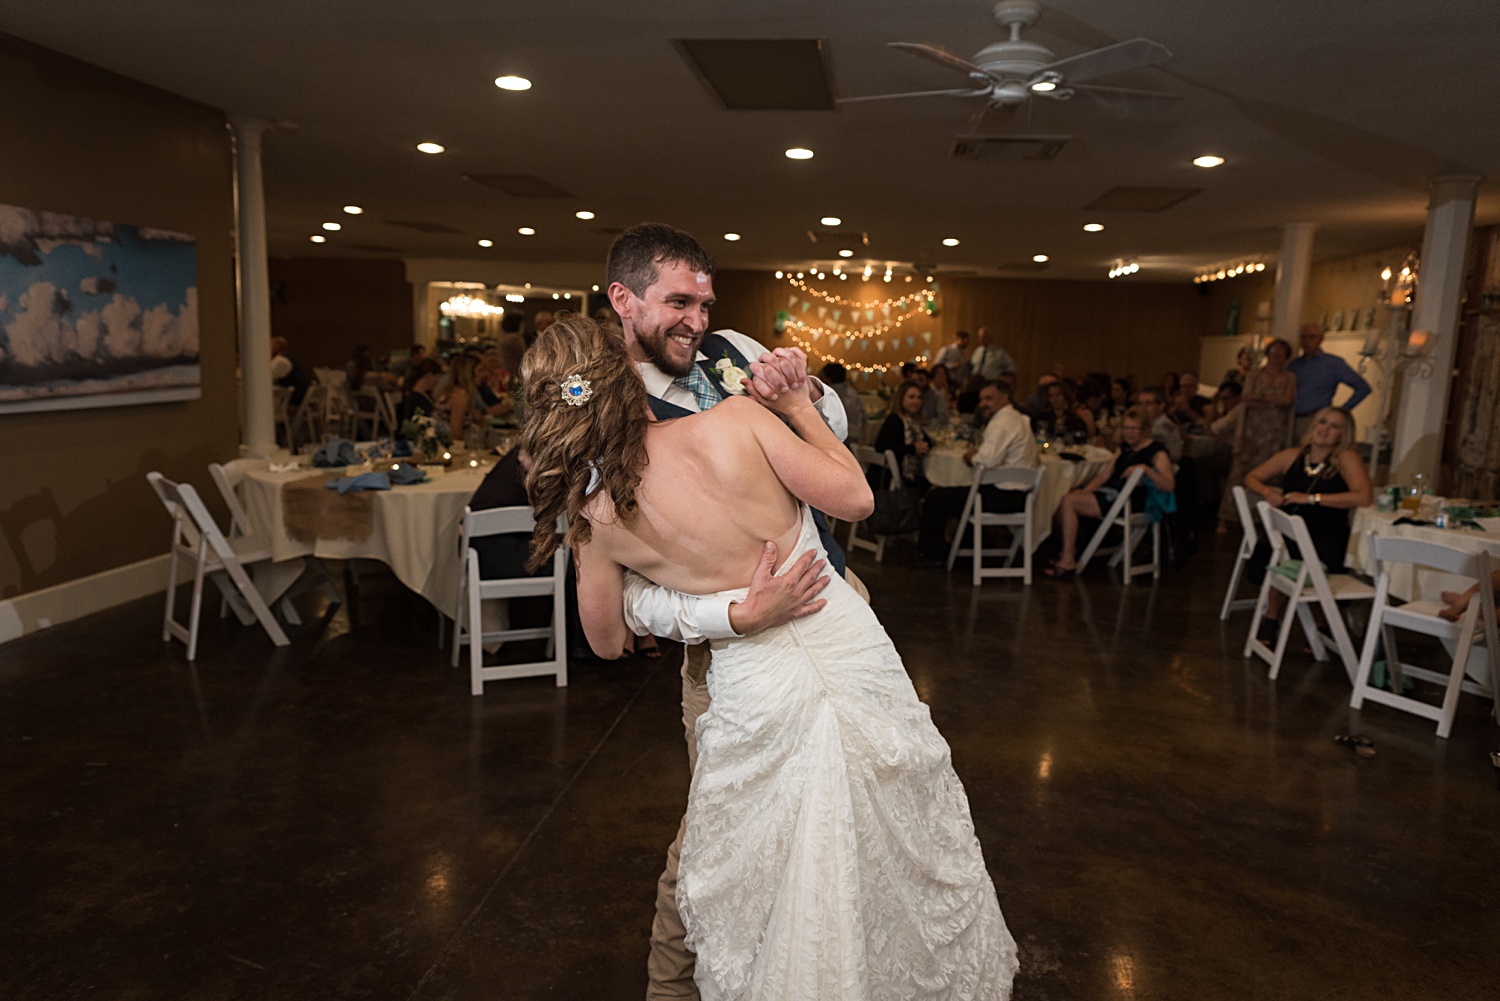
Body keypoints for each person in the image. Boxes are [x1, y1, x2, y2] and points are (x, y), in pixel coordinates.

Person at [521, 316, 1018, 1000]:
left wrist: (702, 606)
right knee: (887, 831)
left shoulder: (595, 515)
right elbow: (857, 497)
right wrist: (793, 409)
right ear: (626, 375)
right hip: (842, 640)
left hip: (753, 678)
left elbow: (605, 640)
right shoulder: (734, 423)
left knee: (784, 855)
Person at [598, 223, 863, 1000]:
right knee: (711, 839)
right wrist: (738, 615)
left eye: (704, 302)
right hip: (729, 664)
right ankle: (673, 988)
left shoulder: (735, 352)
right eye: (677, 301)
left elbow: (834, 439)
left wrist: (804, 392)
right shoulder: (599, 408)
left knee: (835, 817)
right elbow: (627, 598)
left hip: (838, 615)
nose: (696, 320)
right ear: (623, 298)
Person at [1242, 407, 1373, 640]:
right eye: (1322, 422)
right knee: (1287, 552)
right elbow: (1251, 477)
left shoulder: (1345, 458)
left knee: (1293, 558)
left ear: (1343, 434)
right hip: (1290, 533)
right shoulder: (1292, 456)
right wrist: (1267, 493)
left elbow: (1363, 497)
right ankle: (1319, 627)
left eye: (1334, 426)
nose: (1325, 429)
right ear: (1313, 426)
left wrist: (1313, 499)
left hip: (1327, 535)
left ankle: (1275, 620)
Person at [917, 380, 1038, 566]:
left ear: (1005, 398)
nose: (982, 404)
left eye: (989, 399)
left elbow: (987, 460)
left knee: (936, 498)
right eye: (981, 399)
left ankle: (933, 556)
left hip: (1001, 496)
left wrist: (972, 457)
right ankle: (961, 547)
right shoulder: (1018, 419)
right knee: (953, 495)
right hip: (1021, 495)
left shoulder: (1002, 422)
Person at [1043, 407, 1175, 578]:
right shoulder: (1125, 448)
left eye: (1133, 429)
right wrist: (1084, 491)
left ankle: (1068, 560)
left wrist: (1146, 470)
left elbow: (1169, 485)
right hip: (1113, 494)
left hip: (1130, 501)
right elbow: (1104, 475)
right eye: (1126, 428)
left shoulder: (1157, 452)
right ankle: (1070, 548)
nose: (1129, 433)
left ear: (1145, 430)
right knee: (1064, 496)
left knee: (1069, 501)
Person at [1217, 337, 1296, 531]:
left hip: (1276, 432)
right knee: (1241, 471)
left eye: (1281, 352)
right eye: (1273, 351)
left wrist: (1261, 399)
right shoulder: (1254, 374)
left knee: (1271, 473)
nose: (1276, 355)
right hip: (1252, 431)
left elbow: (1287, 400)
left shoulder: (1289, 378)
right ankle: (1227, 517)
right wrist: (1272, 401)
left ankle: (1263, 518)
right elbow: (1247, 398)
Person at [1287, 324, 1372, 440]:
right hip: (1290, 418)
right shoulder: (1294, 365)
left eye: (1311, 337)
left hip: (1314, 418)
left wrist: (1341, 411)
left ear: (1321, 339)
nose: (1307, 341)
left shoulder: (1332, 364)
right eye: (1303, 337)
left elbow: (1363, 387)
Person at [875, 381, 933, 489]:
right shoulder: (895, 420)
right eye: (911, 397)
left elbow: (928, 441)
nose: (916, 401)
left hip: (905, 475)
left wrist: (923, 445)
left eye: (919, 398)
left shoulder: (912, 422)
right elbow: (881, 445)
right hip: (895, 478)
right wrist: (913, 448)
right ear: (901, 398)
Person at [435, 353, 483, 441]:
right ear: (469, 373)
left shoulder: (452, 391)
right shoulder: (460, 395)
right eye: (480, 370)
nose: (483, 374)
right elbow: (455, 433)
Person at [819, 361, 865, 444]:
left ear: (828, 379)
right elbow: (863, 418)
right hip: (855, 442)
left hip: (834, 443)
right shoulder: (853, 393)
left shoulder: (827, 395)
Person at [1134, 385, 1184, 462]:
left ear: (1161, 406)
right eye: (1140, 404)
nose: (1143, 408)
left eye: (1148, 403)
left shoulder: (1165, 427)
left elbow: (1148, 453)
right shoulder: (1143, 423)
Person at [395, 357, 443, 426]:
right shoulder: (414, 399)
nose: (437, 382)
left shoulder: (424, 394)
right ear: (429, 375)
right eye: (436, 378)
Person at [269, 336, 312, 407]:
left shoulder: (280, 361)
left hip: (296, 397)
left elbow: (268, 378)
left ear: (276, 347)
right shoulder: (288, 358)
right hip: (301, 395)